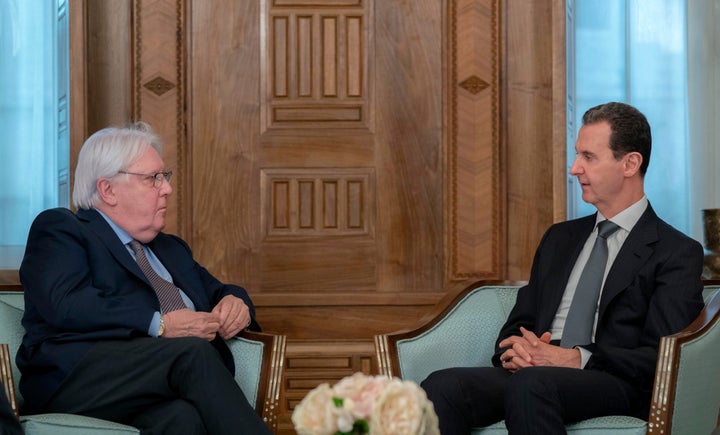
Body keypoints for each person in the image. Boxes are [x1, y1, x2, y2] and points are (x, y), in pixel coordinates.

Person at [421, 102, 705, 434]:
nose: (574, 168)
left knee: (532, 384)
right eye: (576, 155)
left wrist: (576, 358)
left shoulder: (676, 252)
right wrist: (517, 350)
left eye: (588, 157)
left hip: (614, 382)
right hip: (534, 374)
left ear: (630, 163)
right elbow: (519, 323)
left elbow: (663, 356)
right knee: (442, 386)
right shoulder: (560, 238)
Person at [17, 122, 271, 434]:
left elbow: (219, 291)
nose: (167, 188)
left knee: (182, 419)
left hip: (150, 387)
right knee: (190, 352)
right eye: (153, 179)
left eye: (165, 177)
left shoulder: (170, 248)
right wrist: (160, 324)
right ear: (108, 189)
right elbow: (66, 304)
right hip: (75, 379)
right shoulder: (63, 229)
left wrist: (236, 301)